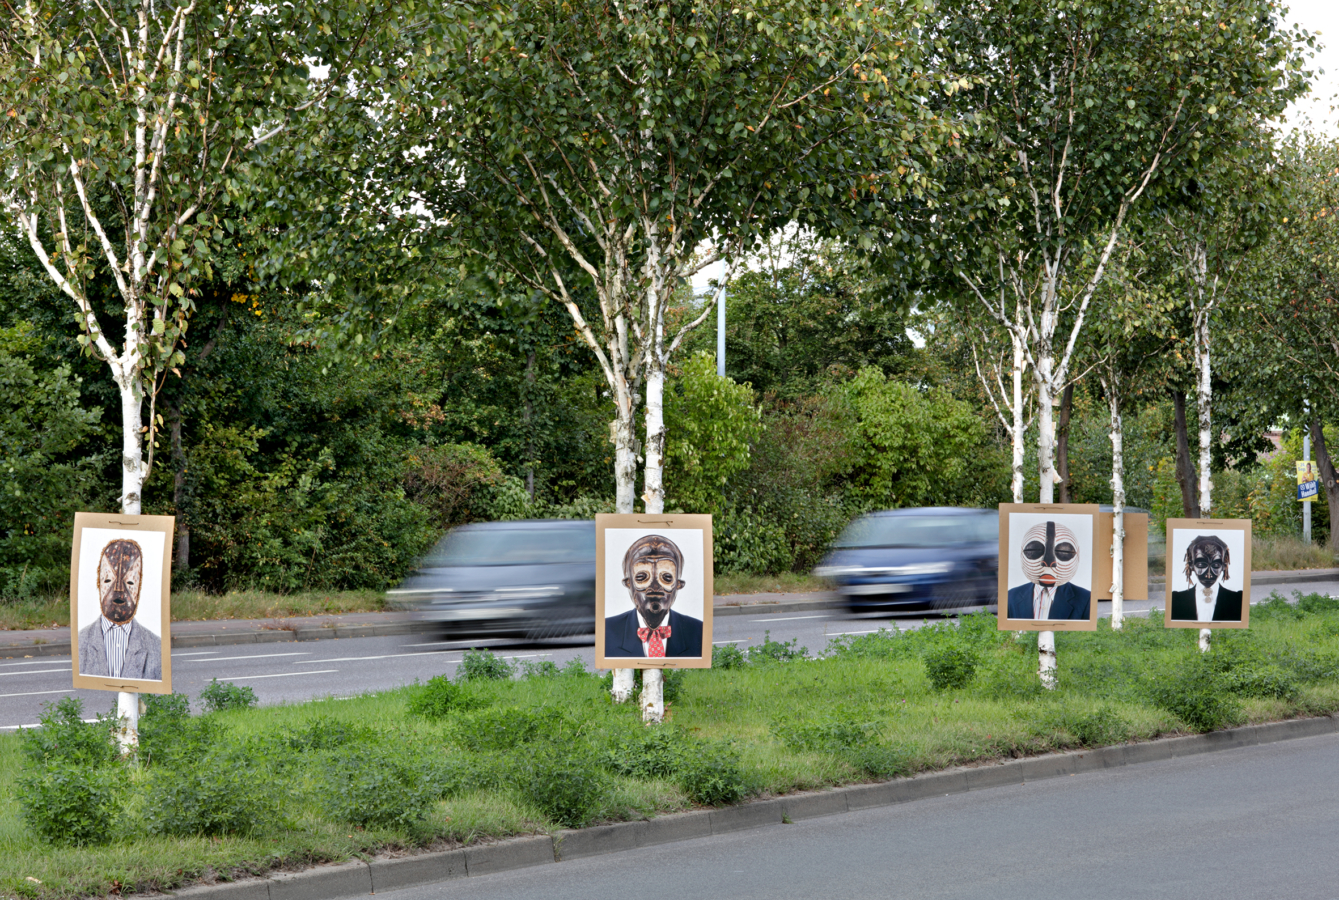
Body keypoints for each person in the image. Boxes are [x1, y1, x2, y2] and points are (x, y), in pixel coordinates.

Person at [604, 534, 703, 658]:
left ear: (678, 585)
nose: (655, 588)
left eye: (666, 578)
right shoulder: (606, 631)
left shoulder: (698, 631)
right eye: (642, 577)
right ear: (629, 583)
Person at [78, 538, 163, 680]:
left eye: (130, 582)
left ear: (139, 586)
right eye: (108, 580)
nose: (118, 589)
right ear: (99, 583)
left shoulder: (157, 647)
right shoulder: (80, 642)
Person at [1006, 521, 1091, 620]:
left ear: (1078, 554)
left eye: (1063, 552)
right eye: (1035, 550)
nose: (1048, 562)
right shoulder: (1010, 597)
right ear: (1021, 552)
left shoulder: (1086, 599)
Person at [1169, 534, 1242, 622]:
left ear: (1224, 566)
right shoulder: (1175, 599)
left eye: (1216, 565)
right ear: (1191, 565)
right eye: (1201, 565)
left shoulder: (1238, 599)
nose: (1208, 574)